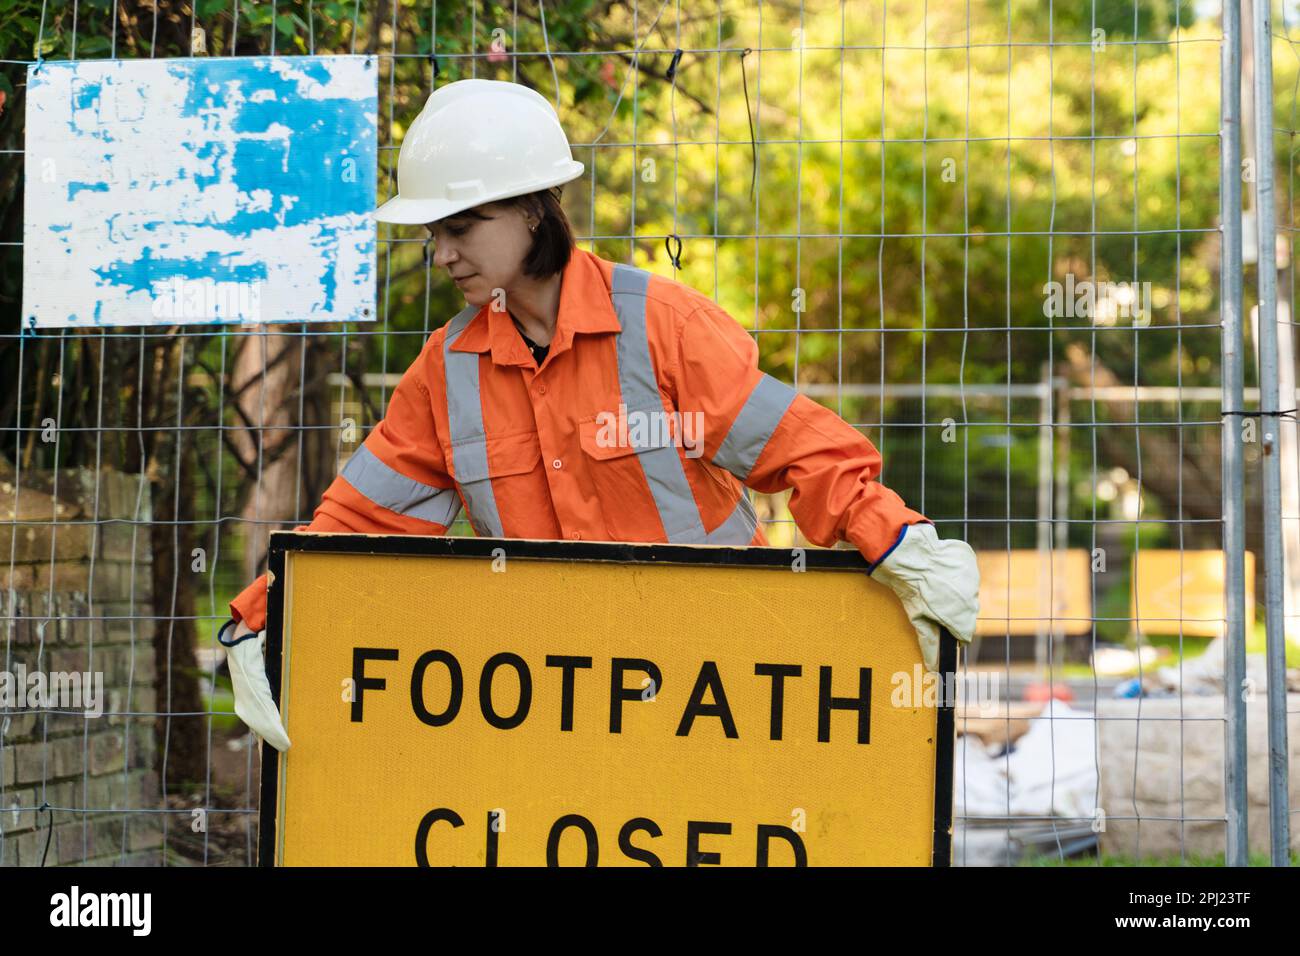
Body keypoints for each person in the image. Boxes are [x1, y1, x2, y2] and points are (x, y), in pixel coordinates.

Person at [218, 79, 980, 753]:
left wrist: (899, 542)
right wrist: (266, 614)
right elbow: (361, 525)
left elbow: (800, 450)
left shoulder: (663, 325)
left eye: (462, 227)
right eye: (434, 234)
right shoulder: (445, 371)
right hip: (562, 692)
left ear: (532, 212)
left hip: (717, 679)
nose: (442, 254)